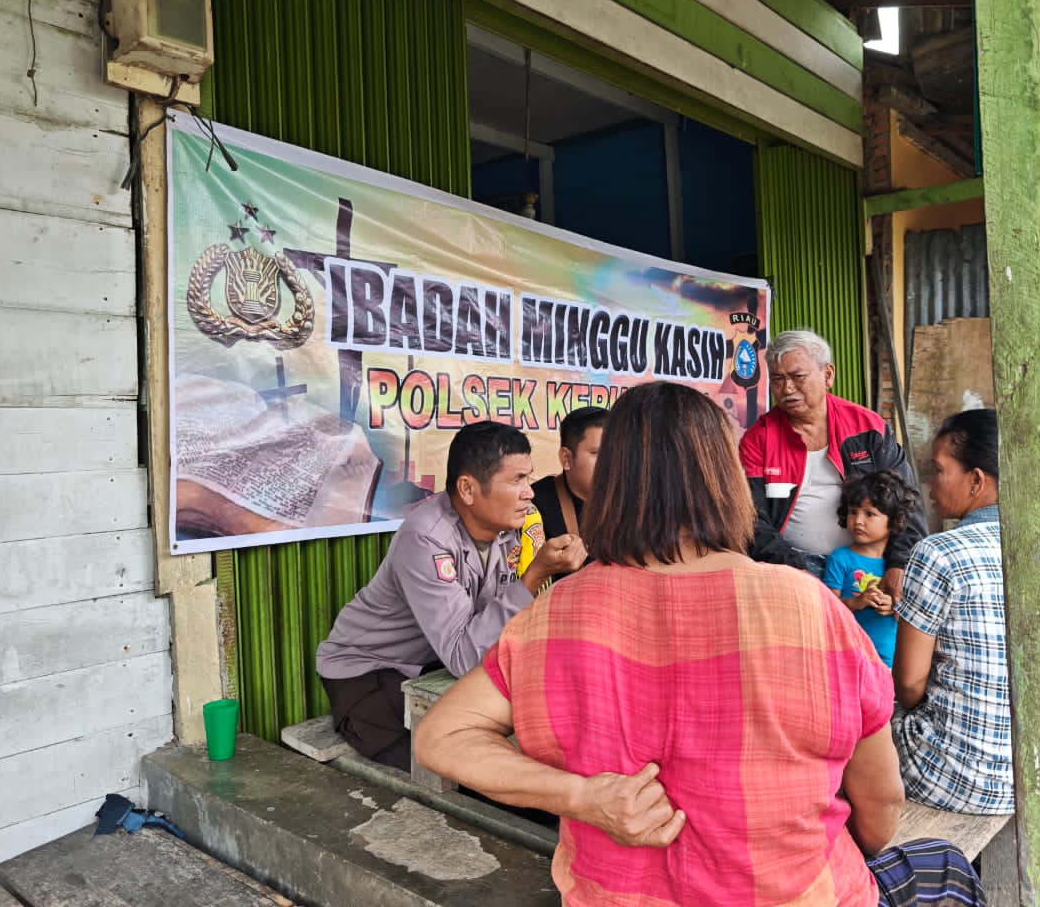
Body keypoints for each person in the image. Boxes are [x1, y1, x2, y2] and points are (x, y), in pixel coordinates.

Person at [415, 382, 986, 907]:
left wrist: (583, 798)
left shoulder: (556, 611)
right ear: (724, 478)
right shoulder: (810, 606)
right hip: (801, 894)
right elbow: (881, 803)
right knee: (944, 867)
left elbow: (441, 737)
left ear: (612, 483)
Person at [315, 420, 586, 769]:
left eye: (528, 478)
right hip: (370, 672)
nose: (529, 492)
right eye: (516, 480)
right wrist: (534, 576)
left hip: (434, 664)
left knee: (532, 733)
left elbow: (489, 628)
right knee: (458, 768)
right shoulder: (426, 538)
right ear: (468, 489)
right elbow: (463, 655)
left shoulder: (508, 529)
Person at [739, 329, 926, 604]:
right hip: (793, 566)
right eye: (777, 379)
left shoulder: (867, 427)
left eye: (797, 377)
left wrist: (899, 562)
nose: (787, 389)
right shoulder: (759, 439)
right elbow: (750, 519)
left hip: (869, 565)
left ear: (827, 375)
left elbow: (907, 500)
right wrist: (795, 570)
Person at [892, 408, 1013, 815]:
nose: (929, 483)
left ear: (976, 480)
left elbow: (909, 685)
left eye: (939, 470)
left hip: (950, 777)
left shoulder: (937, 552)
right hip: (1026, 778)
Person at [823, 470, 920, 668]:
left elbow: (914, 614)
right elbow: (827, 609)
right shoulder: (840, 559)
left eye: (870, 514)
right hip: (847, 657)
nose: (858, 520)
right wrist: (856, 602)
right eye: (853, 512)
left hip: (889, 661)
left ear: (894, 520)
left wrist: (893, 605)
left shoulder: (902, 568)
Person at [531, 405, 607, 543]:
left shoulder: (632, 503)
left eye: (617, 452)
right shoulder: (533, 505)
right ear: (566, 458)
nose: (611, 462)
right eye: (597, 453)